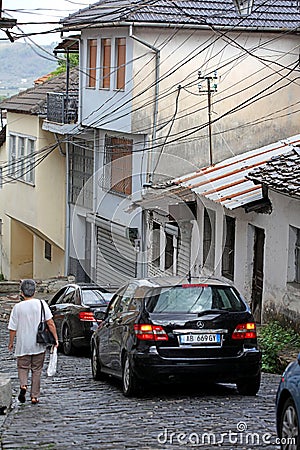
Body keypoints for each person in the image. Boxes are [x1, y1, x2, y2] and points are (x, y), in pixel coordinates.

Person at [8, 279, 59, 405]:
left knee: (22, 367)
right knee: (37, 369)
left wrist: (11, 342)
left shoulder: (17, 307)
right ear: (34, 291)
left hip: (23, 345)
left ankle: (23, 385)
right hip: (38, 344)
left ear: (22, 293)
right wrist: (55, 338)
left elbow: (12, 328)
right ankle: (34, 396)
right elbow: (50, 323)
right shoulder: (41, 304)